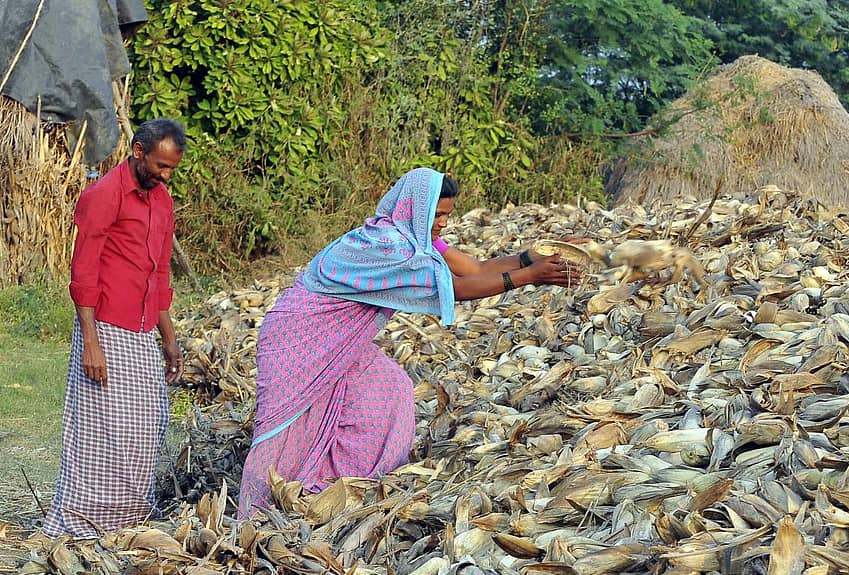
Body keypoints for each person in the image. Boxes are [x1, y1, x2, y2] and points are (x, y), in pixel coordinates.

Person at [238, 167, 580, 518]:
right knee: (285, 430)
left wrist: (531, 260)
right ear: (418, 209)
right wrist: (528, 277)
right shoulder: (388, 245)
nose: (444, 224)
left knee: (389, 388)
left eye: (447, 215)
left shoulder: (414, 239)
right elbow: (457, 288)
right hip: (298, 338)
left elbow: (474, 269)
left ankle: (341, 487)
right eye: (439, 215)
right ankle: (258, 513)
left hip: (339, 340)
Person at [43, 119, 186, 538]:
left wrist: (170, 339)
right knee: (100, 428)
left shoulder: (162, 203)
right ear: (138, 151)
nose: (165, 175)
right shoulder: (102, 196)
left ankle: (128, 519)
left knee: (149, 422)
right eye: (160, 165)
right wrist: (90, 343)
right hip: (104, 327)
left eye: (172, 169)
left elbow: (159, 274)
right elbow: (83, 273)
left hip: (142, 329)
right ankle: (84, 522)